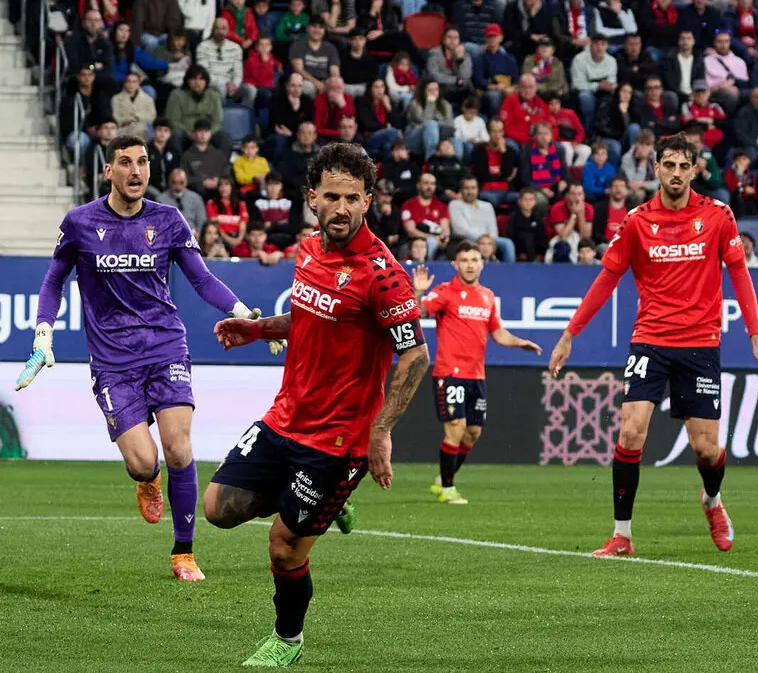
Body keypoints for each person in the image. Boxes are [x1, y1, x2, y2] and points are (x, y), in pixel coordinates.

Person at [202, 143, 429, 666]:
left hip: (337, 442)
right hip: (285, 418)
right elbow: (308, 318)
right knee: (218, 509)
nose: (342, 208)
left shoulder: (383, 274)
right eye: (331, 196)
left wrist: (381, 431)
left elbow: (414, 356)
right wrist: (259, 329)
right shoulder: (308, 251)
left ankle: (287, 641)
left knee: (284, 546)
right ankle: (326, 504)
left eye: (352, 197)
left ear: (368, 200)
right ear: (312, 199)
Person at [15, 135, 261, 583]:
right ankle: (148, 480)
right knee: (143, 462)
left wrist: (246, 316)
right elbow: (53, 282)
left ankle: (183, 553)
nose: (135, 171)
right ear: (108, 171)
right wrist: (43, 334)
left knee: (180, 448)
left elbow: (202, 280)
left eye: (143, 162)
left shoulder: (168, 220)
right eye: (125, 162)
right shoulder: (80, 222)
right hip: (112, 362)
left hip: (166, 346)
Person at [548, 132, 758, 557]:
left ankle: (711, 500)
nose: (675, 173)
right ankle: (622, 536)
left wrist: (756, 337)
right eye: (668, 165)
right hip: (649, 341)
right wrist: (568, 335)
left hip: (700, 344)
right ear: (655, 168)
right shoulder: (636, 221)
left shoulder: (718, 216)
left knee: (706, 450)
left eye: (683, 166)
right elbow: (605, 281)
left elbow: (740, 275)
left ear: (695, 170)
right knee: (631, 433)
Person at [412, 242, 541, 504]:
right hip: (450, 372)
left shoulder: (487, 296)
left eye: (474, 259)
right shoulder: (445, 292)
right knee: (456, 428)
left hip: (476, 376)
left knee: (473, 433)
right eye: (465, 260)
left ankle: (443, 479)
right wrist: (418, 291)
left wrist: (519, 342)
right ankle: (448, 489)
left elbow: (498, 333)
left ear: (482, 263)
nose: (470, 264)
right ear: (456, 265)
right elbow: (420, 312)